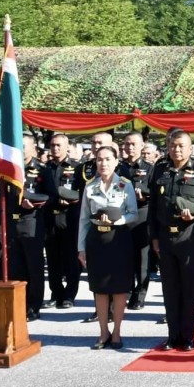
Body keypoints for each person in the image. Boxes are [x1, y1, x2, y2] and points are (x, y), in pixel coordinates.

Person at [148, 129, 194, 351]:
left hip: (189, 237)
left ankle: (188, 336)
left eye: (181, 145)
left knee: (190, 288)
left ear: (190, 148)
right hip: (166, 236)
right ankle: (173, 335)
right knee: (170, 288)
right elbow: (153, 207)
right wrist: (154, 237)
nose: (176, 149)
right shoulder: (160, 170)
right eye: (173, 145)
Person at [77, 145, 138, 350]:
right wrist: (81, 247)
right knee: (100, 289)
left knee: (119, 289)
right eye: (99, 160)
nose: (103, 163)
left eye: (107, 159)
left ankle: (117, 332)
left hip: (118, 239)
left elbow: (133, 214)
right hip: (97, 240)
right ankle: (103, 331)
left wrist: (117, 220)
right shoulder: (90, 186)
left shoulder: (124, 185)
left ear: (115, 162)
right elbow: (84, 219)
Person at [0, 136, 57, 320]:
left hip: (31, 222)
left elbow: (52, 196)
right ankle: (18, 304)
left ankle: (34, 306)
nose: (21, 150)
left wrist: (34, 202)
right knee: (15, 267)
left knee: (34, 266)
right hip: (11, 222)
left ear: (33, 148)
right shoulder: (9, 169)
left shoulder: (43, 170)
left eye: (24, 146)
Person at [45, 133, 85, 309]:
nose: (55, 148)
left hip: (69, 218)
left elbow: (82, 193)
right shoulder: (44, 168)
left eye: (59, 145)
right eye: (53, 145)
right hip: (49, 218)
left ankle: (69, 294)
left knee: (71, 259)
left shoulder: (77, 168)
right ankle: (56, 293)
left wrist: (70, 198)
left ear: (67, 146)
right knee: (52, 259)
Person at [118, 132, 154, 311]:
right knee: (125, 257)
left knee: (142, 257)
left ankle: (140, 294)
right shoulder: (119, 167)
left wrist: (143, 193)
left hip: (141, 214)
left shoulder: (149, 167)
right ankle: (128, 291)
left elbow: (155, 191)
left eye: (133, 144)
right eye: (127, 144)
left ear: (142, 146)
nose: (129, 147)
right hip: (122, 215)